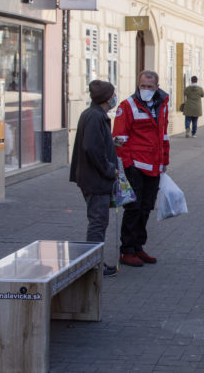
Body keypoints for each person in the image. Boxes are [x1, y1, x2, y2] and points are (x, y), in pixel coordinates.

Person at [112, 70, 170, 267]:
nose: (145, 90)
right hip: (135, 166)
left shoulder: (162, 105)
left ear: (157, 86)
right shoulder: (127, 106)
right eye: (142, 86)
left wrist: (164, 162)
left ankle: (138, 247)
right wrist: (127, 166)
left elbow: (163, 135)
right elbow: (119, 139)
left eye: (149, 87)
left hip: (154, 166)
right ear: (138, 85)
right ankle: (126, 250)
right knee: (133, 209)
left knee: (146, 208)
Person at [69, 80, 119, 277]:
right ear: (108, 98)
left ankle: (93, 263)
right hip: (95, 179)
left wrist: (111, 143)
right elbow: (92, 148)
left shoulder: (96, 115)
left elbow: (96, 144)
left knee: (99, 222)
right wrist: (109, 169)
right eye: (113, 95)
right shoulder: (94, 117)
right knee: (98, 222)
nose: (115, 98)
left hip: (94, 177)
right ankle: (92, 265)